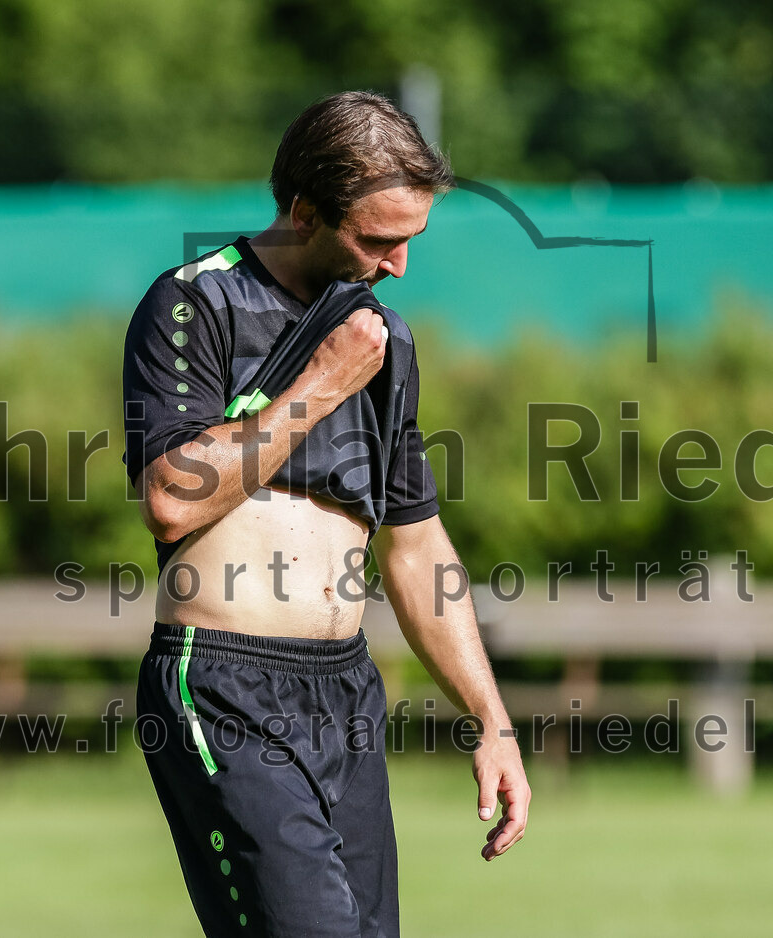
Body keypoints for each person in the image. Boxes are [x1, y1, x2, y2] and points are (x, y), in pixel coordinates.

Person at [122, 90, 530, 938]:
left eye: (411, 239)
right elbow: (168, 499)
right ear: (304, 209)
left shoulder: (385, 338)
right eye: (377, 240)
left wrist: (493, 724)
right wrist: (317, 388)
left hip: (345, 693)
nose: (399, 265)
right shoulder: (197, 304)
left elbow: (415, 547)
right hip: (224, 684)